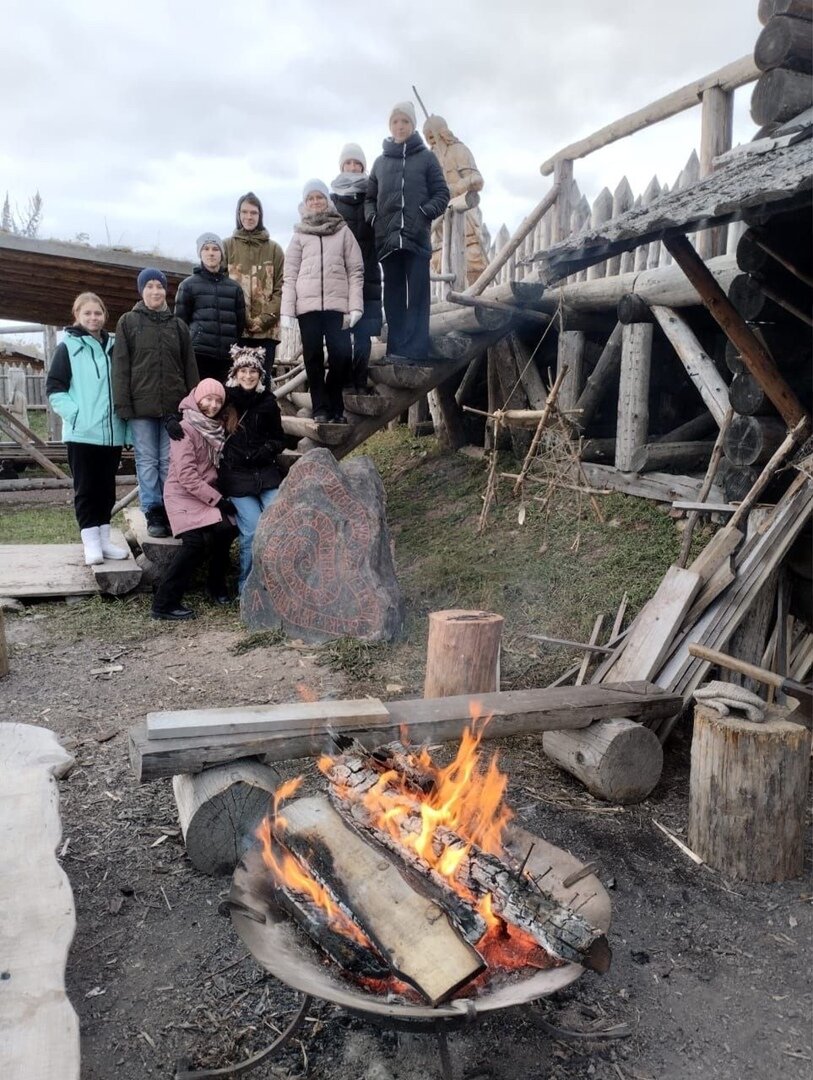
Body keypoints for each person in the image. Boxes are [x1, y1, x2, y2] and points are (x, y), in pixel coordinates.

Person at [112, 268, 199, 538]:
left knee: (168, 460)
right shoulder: (128, 322)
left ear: (166, 291)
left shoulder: (178, 326)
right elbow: (121, 366)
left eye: (159, 286)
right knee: (147, 460)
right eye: (149, 286)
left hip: (172, 407)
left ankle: (170, 507)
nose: (155, 291)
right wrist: (123, 406)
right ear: (141, 291)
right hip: (141, 407)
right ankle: (152, 510)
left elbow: (189, 368)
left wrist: (190, 404)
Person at [46, 292, 130, 566]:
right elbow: (55, 388)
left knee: (106, 489)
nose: (93, 318)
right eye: (88, 314)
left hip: (112, 433)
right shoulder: (68, 347)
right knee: (86, 489)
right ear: (77, 316)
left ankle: (105, 540)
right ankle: (91, 542)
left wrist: (125, 427)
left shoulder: (115, 346)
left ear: (105, 316)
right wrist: (77, 416)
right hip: (82, 433)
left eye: (98, 313)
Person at [365, 101, 450, 364]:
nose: (400, 126)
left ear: (412, 126)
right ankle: (396, 351)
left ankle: (415, 351)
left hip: (417, 240)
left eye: (405, 122)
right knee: (393, 297)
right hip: (388, 241)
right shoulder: (380, 162)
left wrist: (425, 212)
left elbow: (442, 193)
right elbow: (369, 198)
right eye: (395, 122)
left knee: (417, 296)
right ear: (390, 126)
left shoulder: (426, 158)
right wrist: (374, 219)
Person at [151, 379, 237, 621]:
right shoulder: (184, 428)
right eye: (208, 399)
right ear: (197, 398)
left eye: (218, 401)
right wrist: (219, 500)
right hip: (182, 495)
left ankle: (215, 584)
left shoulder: (217, 425)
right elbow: (187, 477)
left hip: (204, 493)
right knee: (194, 544)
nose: (212, 405)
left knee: (226, 529)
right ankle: (164, 602)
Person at [280, 179, 364, 424]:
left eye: (320, 197)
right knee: (313, 357)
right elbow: (290, 274)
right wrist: (287, 309)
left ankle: (334, 404)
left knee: (341, 356)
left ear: (327, 200)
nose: (315, 202)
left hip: (337, 306)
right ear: (305, 203)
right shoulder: (299, 235)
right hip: (308, 308)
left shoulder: (342, 231)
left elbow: (356, 270)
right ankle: (321, 409)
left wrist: (355, 305)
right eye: (311, 198)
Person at [218, 345, 286, 591]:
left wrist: (267, 449)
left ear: (260, 375)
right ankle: (247, 587)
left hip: (265, 473)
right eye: (243, 371)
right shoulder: (225, 401)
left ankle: (275, 582)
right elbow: (197, 408)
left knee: (278, 520)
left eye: (253, 371)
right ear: (235, 374)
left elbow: (280, 439)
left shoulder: (268, 402)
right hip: (236, 478)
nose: (248, 376)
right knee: (254, 530)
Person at [330, 143, 383, 392]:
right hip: (339, 276)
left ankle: (360, 382)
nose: (352, 168)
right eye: (348, 163)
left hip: (368, 271)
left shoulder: (372, 198)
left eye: (357, 163)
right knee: (340, 330)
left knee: (363, 331)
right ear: (341, 166)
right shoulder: (331, 203)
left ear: (364, 166)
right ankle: (344, 384)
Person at [222, 192, 285, 384]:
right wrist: (243, 319)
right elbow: (222, 287)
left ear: (260, 216)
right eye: (244, 212)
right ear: (238, 214)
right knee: (235, 383)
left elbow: (282, 287)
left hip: (266, 331)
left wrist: (264, 320)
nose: (249, 217)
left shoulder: (274, 249)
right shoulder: (226, 246)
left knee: (261, 384)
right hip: (236, 330)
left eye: (254, 213)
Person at [422, 115, 487, 287]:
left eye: (433, 135)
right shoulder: (428, 159)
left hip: (463, 216)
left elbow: (477, 179)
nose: (431, 141)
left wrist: (454, 188)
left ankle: (475, 298)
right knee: (442, 261)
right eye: (427, 137)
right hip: (439, 221)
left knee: (472, 260)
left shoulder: (459, 151)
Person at [174, 233, 246, 383]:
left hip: (227, 358)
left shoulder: (234, 288)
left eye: (215, 249)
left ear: (221, 254)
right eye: (206, 249)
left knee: (223, 401)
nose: (211, 253)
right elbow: (180, 324)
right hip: (198, 356)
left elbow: (239, 324)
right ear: (200, 253)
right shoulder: (187, 286)